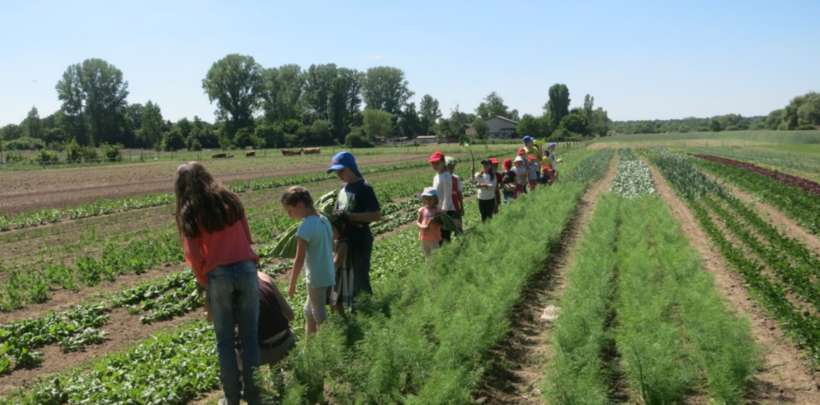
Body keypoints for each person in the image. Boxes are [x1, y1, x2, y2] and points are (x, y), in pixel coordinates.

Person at [176, 162, 261, 405]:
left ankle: (231, 399)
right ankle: (255, 398)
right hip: (246, 269)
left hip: (218, 276)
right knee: (249, 337)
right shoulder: (230, 199)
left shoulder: (190, 211)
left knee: (224, 341)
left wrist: (205, 281)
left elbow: (193, 256)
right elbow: (247, 237)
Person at [203, 272, 296, 370]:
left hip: (260, 352)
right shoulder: (264, 277)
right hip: (286, 344)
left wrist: (208, 292)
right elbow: (290, 315)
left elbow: (210, 318)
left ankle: (247, 381)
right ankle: (278, 379)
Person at [327, 151, 381, 302]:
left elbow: (376, 215)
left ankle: (366, 308)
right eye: (336, 171)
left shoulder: (364, 188)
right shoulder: (342, 190)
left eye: (341, 170)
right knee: (342, 276)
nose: (338, 174)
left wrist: (351, 217)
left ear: (351, 168)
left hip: (360, 239)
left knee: (359, 277)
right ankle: (346, 309)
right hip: (343, 240)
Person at [281, 186, 335, 336]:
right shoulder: (324, 220)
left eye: (290, 210)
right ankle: (309, 345)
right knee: (308, 311)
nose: (289, 215)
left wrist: (291, 284)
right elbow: (332, 244)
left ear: (299, 205)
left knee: (318, 313)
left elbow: (299, 259)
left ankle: (329, 344)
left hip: (316, 277)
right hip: (327, 272)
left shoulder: (305, 227)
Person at [428, 151, 456, 242]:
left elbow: (447, 196)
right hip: (438, 209)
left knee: (445, 236)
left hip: (445, 211)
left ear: (443, 162)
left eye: (437, 163)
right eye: (433, 164)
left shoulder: (446, 176)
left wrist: (443, 211)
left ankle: (449, 254)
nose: (435, 166)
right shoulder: (436, 176)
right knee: (438, 235)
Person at [416, 187, 442, 256]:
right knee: (427, 254)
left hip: (434, 237)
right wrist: (422, 226)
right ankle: (429, 266)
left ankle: (436, 266)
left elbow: (442, 223)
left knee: (435, 255)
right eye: (426, 199)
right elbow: (418, 222)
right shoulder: (422, 210)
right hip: (424, 237)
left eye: (430, 199)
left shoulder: (438, 211)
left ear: (435, 199)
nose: (428, 201)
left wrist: (436, 220)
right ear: (423, 200)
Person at [445, 156, 464, 231]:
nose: (452, 168)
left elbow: (459, 193)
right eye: (449, 166)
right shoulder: (441, 179)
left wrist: (462, 207)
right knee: (447, 230)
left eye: (453, 166)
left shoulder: (456, 178)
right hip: (445, 209)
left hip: (455, 207)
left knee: (458, 229)